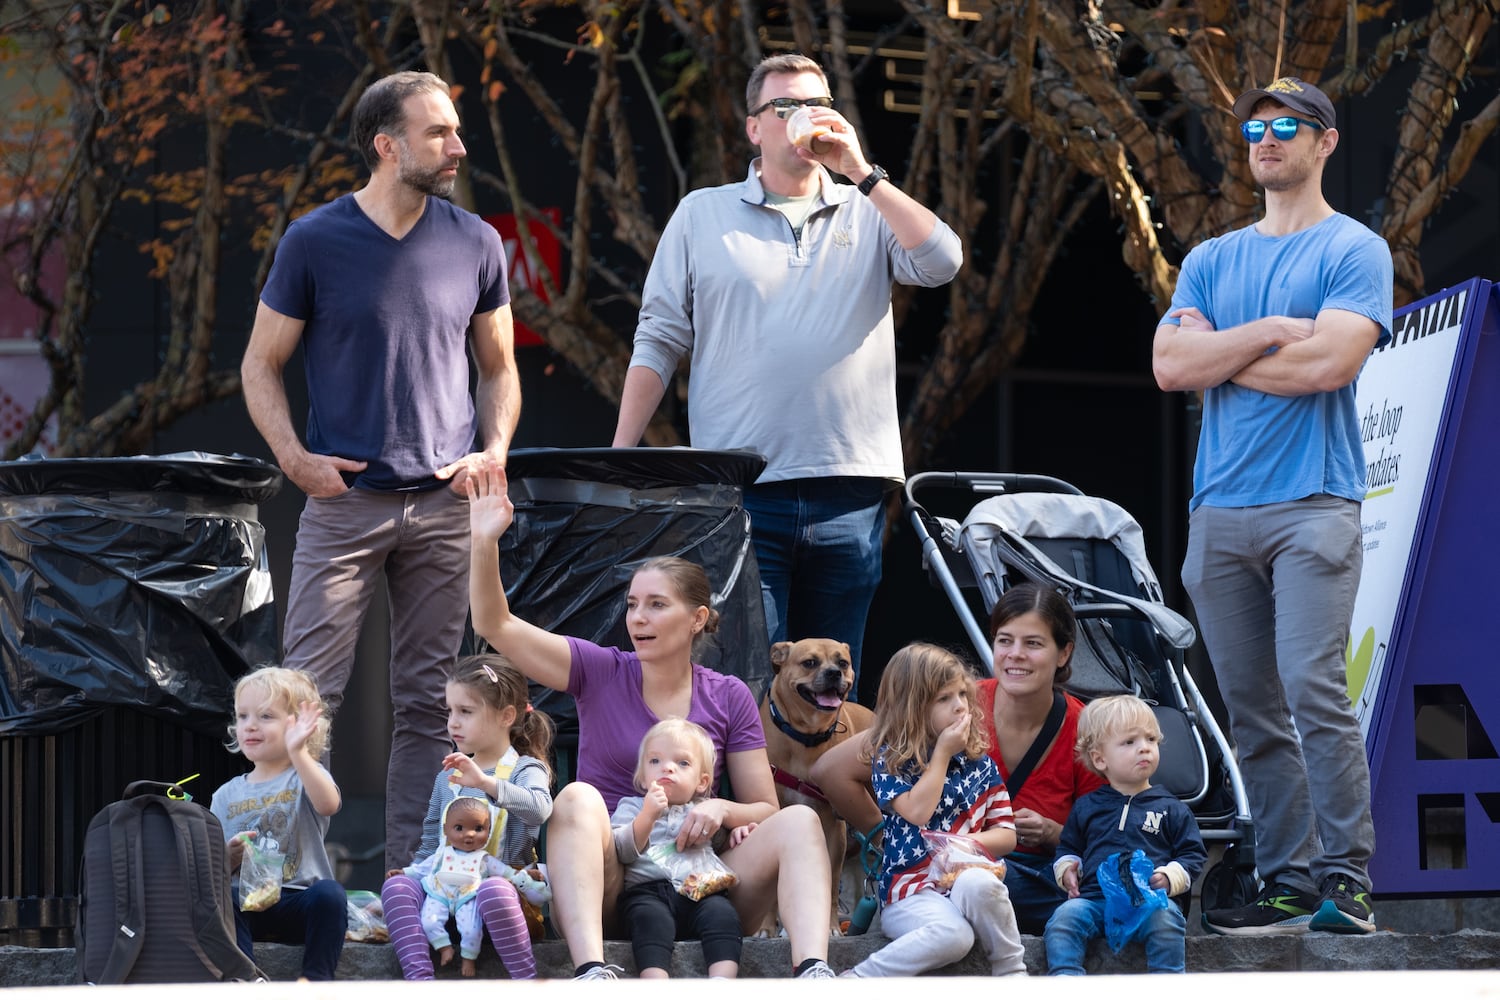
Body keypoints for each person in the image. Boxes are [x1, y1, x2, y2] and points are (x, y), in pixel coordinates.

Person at [240, 69, 521, 871]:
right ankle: (291, 884)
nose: (458, 147)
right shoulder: (314, 240)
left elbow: (499, 368)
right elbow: (260, 364)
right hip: (346, 504)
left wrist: (494, 451)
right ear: (387, 145)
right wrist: (296, 460)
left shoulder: (476, 241)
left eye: (456, 130)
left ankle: (412, 884)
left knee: (435, 706)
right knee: (302, 700)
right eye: (440, 133)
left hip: (445, 506)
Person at [611, 52, 964, 682]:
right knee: (745, 682)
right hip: (742, 487)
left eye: (817, 103)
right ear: (754, 127)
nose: (805, 115)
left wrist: (862, 172)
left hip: (848, 489)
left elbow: (944, 262)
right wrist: (618, 456)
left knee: (830, 687)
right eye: (786, 105)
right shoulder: (701, 213)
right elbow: (659, 337)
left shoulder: (869, 206)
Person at [1152, 76, 1391, 936]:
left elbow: (1329, 365)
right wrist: (1267, 333)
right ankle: (1287, 882)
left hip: (1312, 505)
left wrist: (1217, 352)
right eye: (1255, 128)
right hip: (1220, 510)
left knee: (1312, 688)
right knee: (1251, 710)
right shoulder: (1211, 259)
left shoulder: (1355, 248)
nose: (1267, 139)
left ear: (1326, 142)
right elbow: (1170, 368)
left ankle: (1346, 882)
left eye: (1287, 126)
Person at [466, 463, 837, 980]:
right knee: (575, 797)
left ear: (697, 619)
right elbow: (495, 624)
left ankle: (813, 969)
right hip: (618, 883)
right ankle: (591, 970)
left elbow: (765, 809)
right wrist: (484, 540)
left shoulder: (728, 694)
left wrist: (721, 809)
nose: (638, 617)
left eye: (657, 605)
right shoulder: (599, 670)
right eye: (632, 604)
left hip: (708, 882)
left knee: (800, 821)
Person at [811, 582, 1104, 933]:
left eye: (1033, 644)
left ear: (1064, 653)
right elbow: (830, 770)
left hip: (1040, 876)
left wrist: (1053, 832)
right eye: (1005, 640)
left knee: (1092, 896)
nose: (1015, 654)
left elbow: (1107, 834)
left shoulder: (1084, 727)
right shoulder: (954, 702)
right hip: (948, 876)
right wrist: (892, 842)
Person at [840, 643, 1027, 978]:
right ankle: (857, 981)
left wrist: (959, 847)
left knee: (981, 884)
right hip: (910, 891)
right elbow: (918, 812)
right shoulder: (891, 761)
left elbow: (1006, 835)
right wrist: (941, 754)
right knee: (954, 936)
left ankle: (1012, 972)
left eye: (962, 694)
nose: (960, 706)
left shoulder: (980, 765)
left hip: (964, 879)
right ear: (911, 709)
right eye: (944, 698)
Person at [381, 655, 554, 981]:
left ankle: (527, 983)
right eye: (449, 711)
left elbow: (540, 808)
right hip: (445, 904)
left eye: (466, 711)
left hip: (503, 908)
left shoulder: (526, 769)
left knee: (493, 890)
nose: (453, 723)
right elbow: (431, 846)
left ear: (506, 716)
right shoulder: (447, 777)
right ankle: (420, 981)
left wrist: (486, 783)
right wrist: (411, 878)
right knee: (396, 888)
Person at [1044, 695, 1206, 975]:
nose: (1144, 748)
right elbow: (1069, 848)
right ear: (1100, 759)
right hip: (1095, 898)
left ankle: (1167, 979)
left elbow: (1192, 854)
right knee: (1064, 918)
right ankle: (1065, 975)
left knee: (1166, 919)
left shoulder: (1171, 808)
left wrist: (1170, 877)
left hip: (1149, 901)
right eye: (1130, 742)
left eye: (1151, 739)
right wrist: (1067, 869)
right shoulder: (1087, 806)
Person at [211, 666, 347, 981]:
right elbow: (211, 868)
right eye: (242, 716)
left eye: (265, 716)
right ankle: (246, 979)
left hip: (298, 899)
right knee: (220, 900)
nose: (250, 725)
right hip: (246, 903)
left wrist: (298, 751)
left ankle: (315, 980)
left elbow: (329, 804)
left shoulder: (306, 775)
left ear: (297, 725)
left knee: (330, 894)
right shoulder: (225, 795)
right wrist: (228, 857)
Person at [610, 719, 754, 979]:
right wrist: (647, 817)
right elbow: (621, 850)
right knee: (649, 920)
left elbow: (719, 844)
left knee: (723, 914)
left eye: (683, 763)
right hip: (647, 892)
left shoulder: (703, 810)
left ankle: (722, 980)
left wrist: (738, 833)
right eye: (655, 761)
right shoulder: (632, 806)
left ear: (702, 782)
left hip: (699, 890)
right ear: (642, 777)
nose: (667, 767)